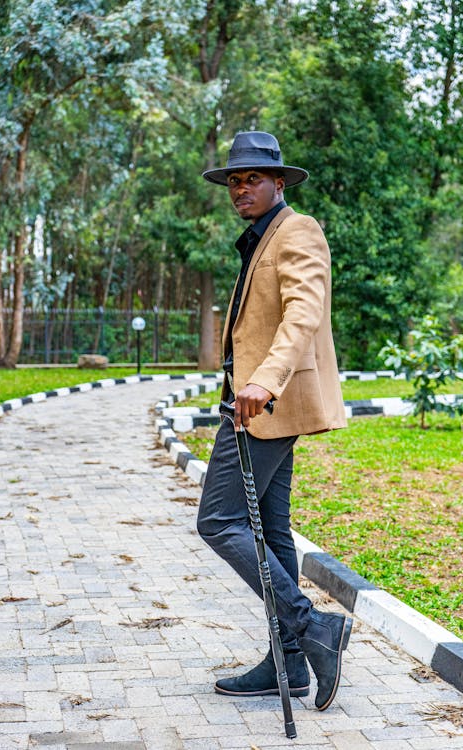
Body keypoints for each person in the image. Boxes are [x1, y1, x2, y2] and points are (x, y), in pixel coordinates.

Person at [197, 131, 351, 711]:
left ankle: (313, 626)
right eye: (235, 180)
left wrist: (264, 380)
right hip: (252, 403)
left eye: (253, 179)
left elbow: (303, 312)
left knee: (219, 521)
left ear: (278, 183)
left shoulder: (298, 230)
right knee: (272, 529)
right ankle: (288, 662)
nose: (241, 188)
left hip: (265, 403)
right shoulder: (260, 238)